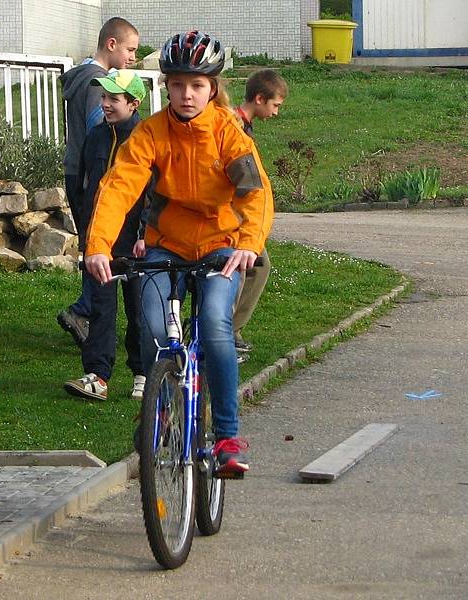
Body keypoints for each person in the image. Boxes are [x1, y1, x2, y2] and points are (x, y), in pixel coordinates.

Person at [85, 31, 274, 476]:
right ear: (165, 86)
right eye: (177, 85)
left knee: (213, 325)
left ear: (213, 88)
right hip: (164, 245)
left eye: (197, 86)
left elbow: (254, 194)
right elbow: (119, 188)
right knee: (152, 324)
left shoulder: (229, 133)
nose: (186, 95)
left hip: (221, 247)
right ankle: (165, 404)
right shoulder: (151, 133)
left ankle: (227, 435)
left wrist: (248, 245)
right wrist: (97, 246)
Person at [64, 70, 148, 402]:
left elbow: (153, 195)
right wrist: (88, 235)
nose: (106, 104)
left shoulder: (145, 139)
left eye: (114, 99)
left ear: (134, 103)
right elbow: (88, 189)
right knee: (101, 309)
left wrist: (144, 234)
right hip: (102, 244)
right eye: (104, 97)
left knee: (140, 312)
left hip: (137, 245)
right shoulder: (97, 136)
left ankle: (143, 373)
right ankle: (97, 375)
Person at [57, 17, 140, 347]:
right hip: (94, 175)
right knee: (101, 246)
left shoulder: (82, 77)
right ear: (112, 45)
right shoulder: (98, 82)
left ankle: (88, 310)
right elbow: (101, 131)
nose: (133, 57)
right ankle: (84, 311)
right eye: (130, 49)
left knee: (97, 245)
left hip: (78, 171)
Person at [232, 69, 288, 356]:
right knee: (252, 266)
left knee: (253, 266)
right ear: (259, 98)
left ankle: (229, 328)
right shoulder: (235, 125)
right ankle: (228, 329)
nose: (276, 113)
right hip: (233, 214)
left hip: (240, 212)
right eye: (275, 105)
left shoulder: (243, 124)